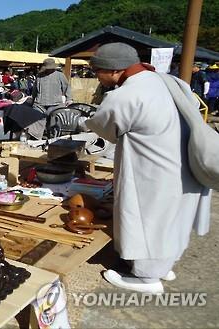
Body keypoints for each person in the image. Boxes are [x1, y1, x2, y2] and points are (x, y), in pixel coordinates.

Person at [85, 42, 210, 294]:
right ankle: (164, 266)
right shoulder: (168, 81)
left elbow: (106, 127)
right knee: (173, 218)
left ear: (113, 70)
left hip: (153, 170)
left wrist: (85, 121)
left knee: (148, 219)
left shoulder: (127, 94)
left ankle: (146, 277)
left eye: (97, 70)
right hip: (183, 161)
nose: (97, 76)